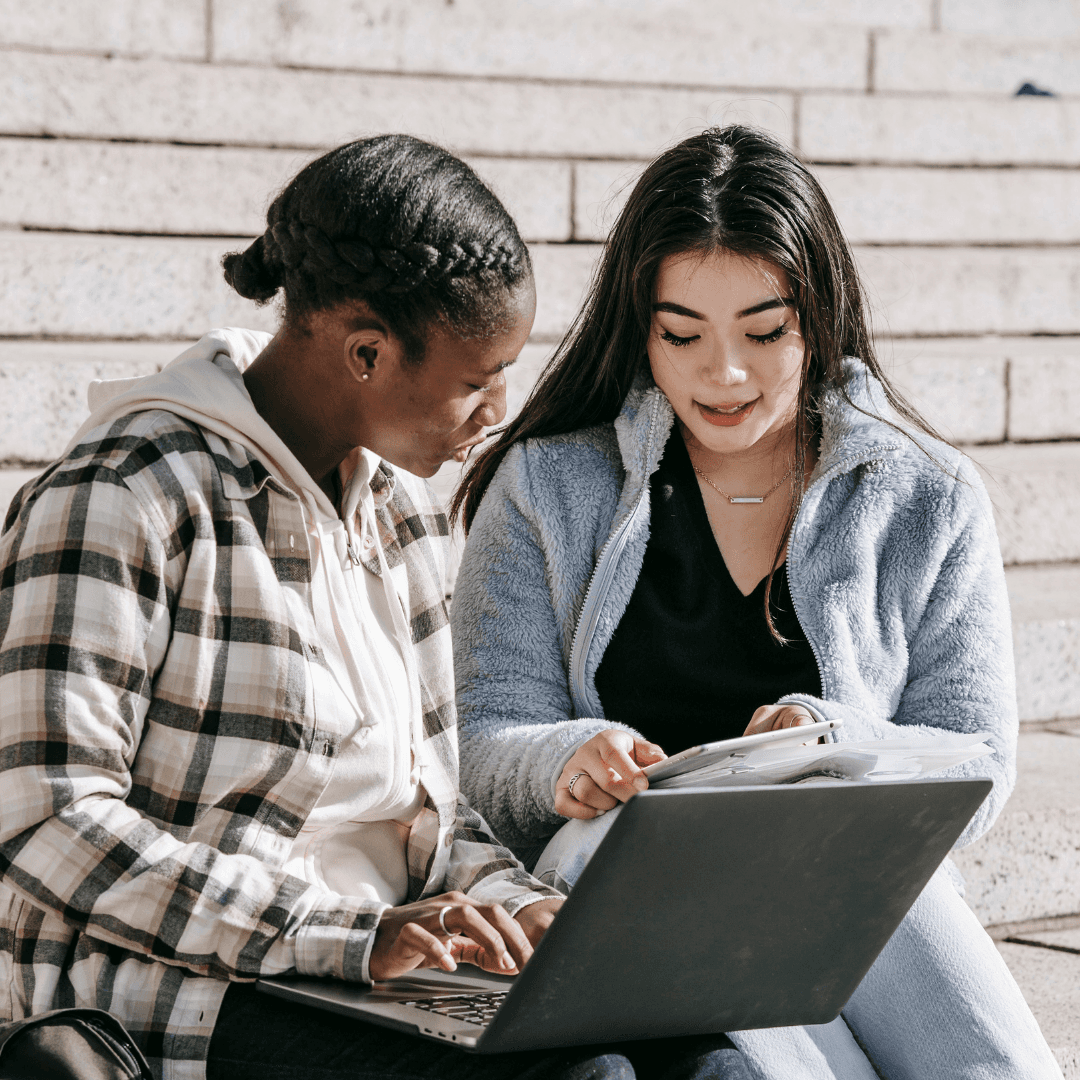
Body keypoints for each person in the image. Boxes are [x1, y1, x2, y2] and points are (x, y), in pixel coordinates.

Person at [0, 136, 752, 1080]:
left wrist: (514, 906)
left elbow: (433, 810)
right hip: (184, 982)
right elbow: (44, 823)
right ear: (366, 351)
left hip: (387, 972)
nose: (497, 410)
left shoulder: (399, 513)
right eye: (477, 378)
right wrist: (345, 937)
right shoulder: (128, 495)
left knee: (713, 1063)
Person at [449, 126, 1063, 1079]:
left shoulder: (926, 495)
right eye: (682, 334)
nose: (723, 374)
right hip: (619, 869)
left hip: (841, 873)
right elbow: (484, 734)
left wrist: (831, 742)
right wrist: (565, 757)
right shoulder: (548, 485)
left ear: (819, 316)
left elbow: (976, 760)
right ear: (638, 323)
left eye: (765, 332)